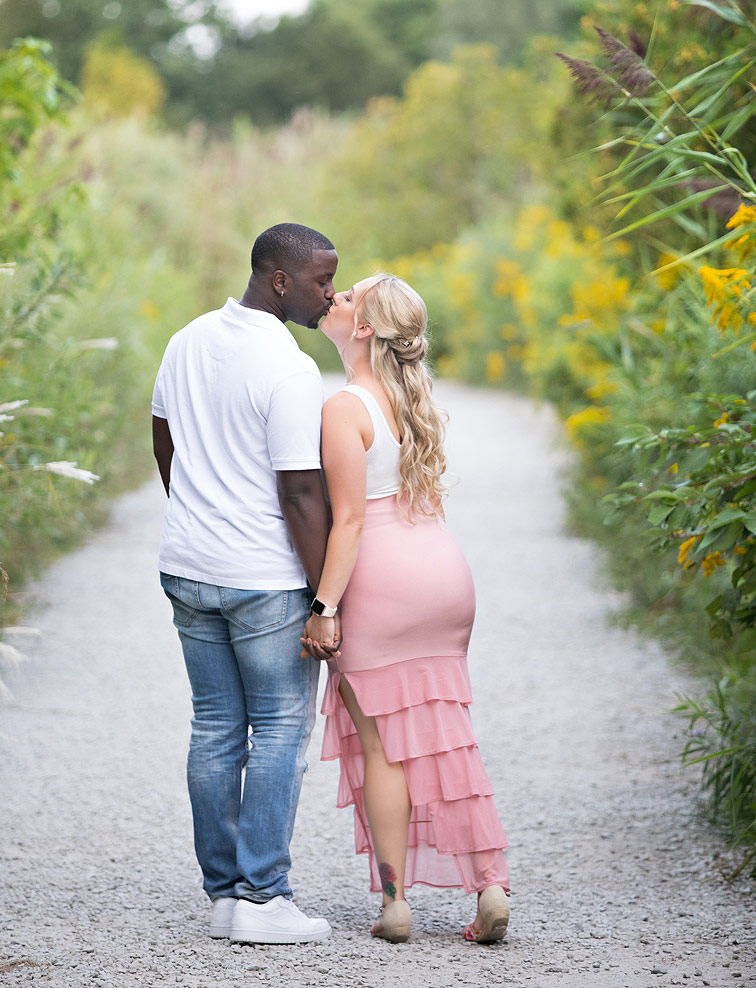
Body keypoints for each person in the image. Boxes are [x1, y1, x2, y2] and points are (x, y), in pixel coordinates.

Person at [301, 273, 510, 944]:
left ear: (362, 329)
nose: (332, 299)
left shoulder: (344, 408)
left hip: (383, 586)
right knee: (449, 739)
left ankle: (395, 906)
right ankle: (490, 888)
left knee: (383, 749)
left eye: (345, 298)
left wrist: (323, 604)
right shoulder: (409, 396)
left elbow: (351, 522)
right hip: (443, 578)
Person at [151, 222, 340, 945]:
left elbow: (164, 441)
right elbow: (300, 491)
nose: (330, 294)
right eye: (322, 281)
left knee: (215, 730)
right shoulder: (288, 367)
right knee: (280, 733)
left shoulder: (186, 339)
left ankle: (226, 895)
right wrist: (326, 596)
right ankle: (265, 898)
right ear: (280, 279)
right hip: (262, 578)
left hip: (188, 565)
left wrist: (198, 514)